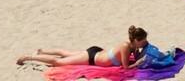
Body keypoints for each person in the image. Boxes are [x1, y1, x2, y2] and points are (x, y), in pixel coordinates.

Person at [16, 26, 150, 68]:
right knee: (58, 62)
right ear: (136, 40)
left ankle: (42, 51)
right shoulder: (126, 46)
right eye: (143, 40)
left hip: (97, 52)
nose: (145, 42)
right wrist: (138, 62)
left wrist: (140, 53)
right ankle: (29, 57)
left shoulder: (133, 45)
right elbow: (126, 67)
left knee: (66, 53)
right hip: (92, 58)